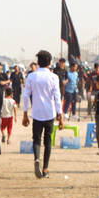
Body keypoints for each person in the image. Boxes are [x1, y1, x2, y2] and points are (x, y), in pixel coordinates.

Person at [22, 50, 64, 179]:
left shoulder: (31, 76)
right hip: (50, 113)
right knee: (48, 141)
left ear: (38, 62)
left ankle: (36, 158)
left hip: (36, 113)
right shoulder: (53, 77)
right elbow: (57, 97)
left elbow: (25, 95)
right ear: (50, 63)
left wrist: (25, 113)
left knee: (36, 139)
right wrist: (60, 115)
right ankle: (45, 169)